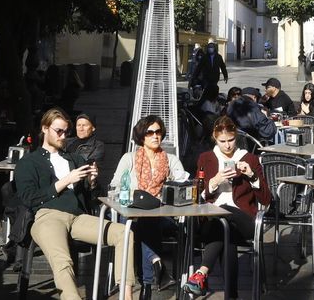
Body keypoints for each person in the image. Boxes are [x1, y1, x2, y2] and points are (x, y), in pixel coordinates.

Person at [14, 108, 135, 300]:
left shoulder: (74, 159)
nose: (63, 136)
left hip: (78, 217)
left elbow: (93, 196)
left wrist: (93, 181)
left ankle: (126, 296)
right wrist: (65, 181)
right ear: (45, 129)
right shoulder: (29, 162)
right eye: (58, 131)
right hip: (47, 216)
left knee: (124, 233)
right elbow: (29, 198)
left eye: (65, 132)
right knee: (63, 261)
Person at [184, 117, 270, 298]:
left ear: (236, 137)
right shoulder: (206, 159)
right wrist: (214, 182)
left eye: (231, 140)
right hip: (213, 221)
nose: (228, 145)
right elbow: (195, 197)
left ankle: (202, 272)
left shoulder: (250, 159)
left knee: (224, 212)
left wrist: (252, 176)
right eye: (222, 141)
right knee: (225, 233)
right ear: (215, 138)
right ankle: (231, 296)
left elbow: (266, 198)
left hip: (244, 220)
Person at [109, 115, 189, 291]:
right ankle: (154, 270)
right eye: (150, 132)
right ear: (141, 136)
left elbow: (183, 186)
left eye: (158, 131)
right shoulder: (129, 158)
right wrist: (131, 194)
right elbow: (114, 186)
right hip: (131, 213)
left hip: (162, 216)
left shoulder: (171, 160)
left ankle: (148, 276)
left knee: (143, 223)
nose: (155, 136)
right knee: (137, 223)